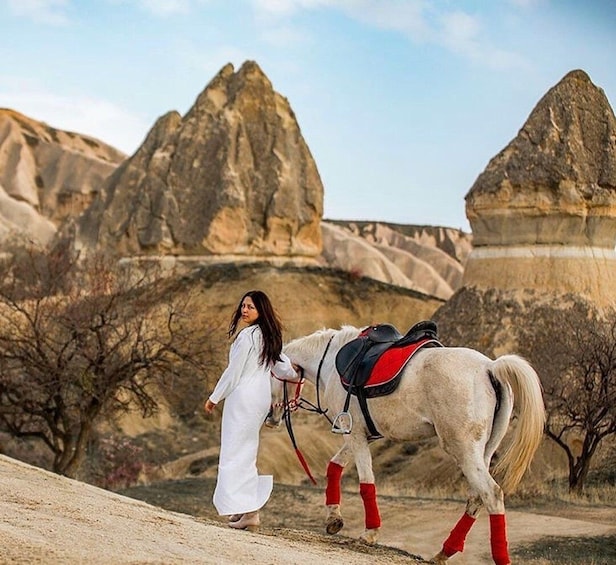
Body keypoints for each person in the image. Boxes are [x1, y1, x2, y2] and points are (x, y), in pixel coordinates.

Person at [204, 290, 296, 531]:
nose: (244, 310)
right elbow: (286, 369)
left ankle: (250, 511)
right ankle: (244, 509)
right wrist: (298, 372)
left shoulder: (247, 337)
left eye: (251, 307)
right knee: (245, 452)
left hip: (242, 398)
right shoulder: (268, 336)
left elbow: (233, 373)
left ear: (260, 311)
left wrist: (215, 397)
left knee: (234, 454)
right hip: (259, 398)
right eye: (243, 306)